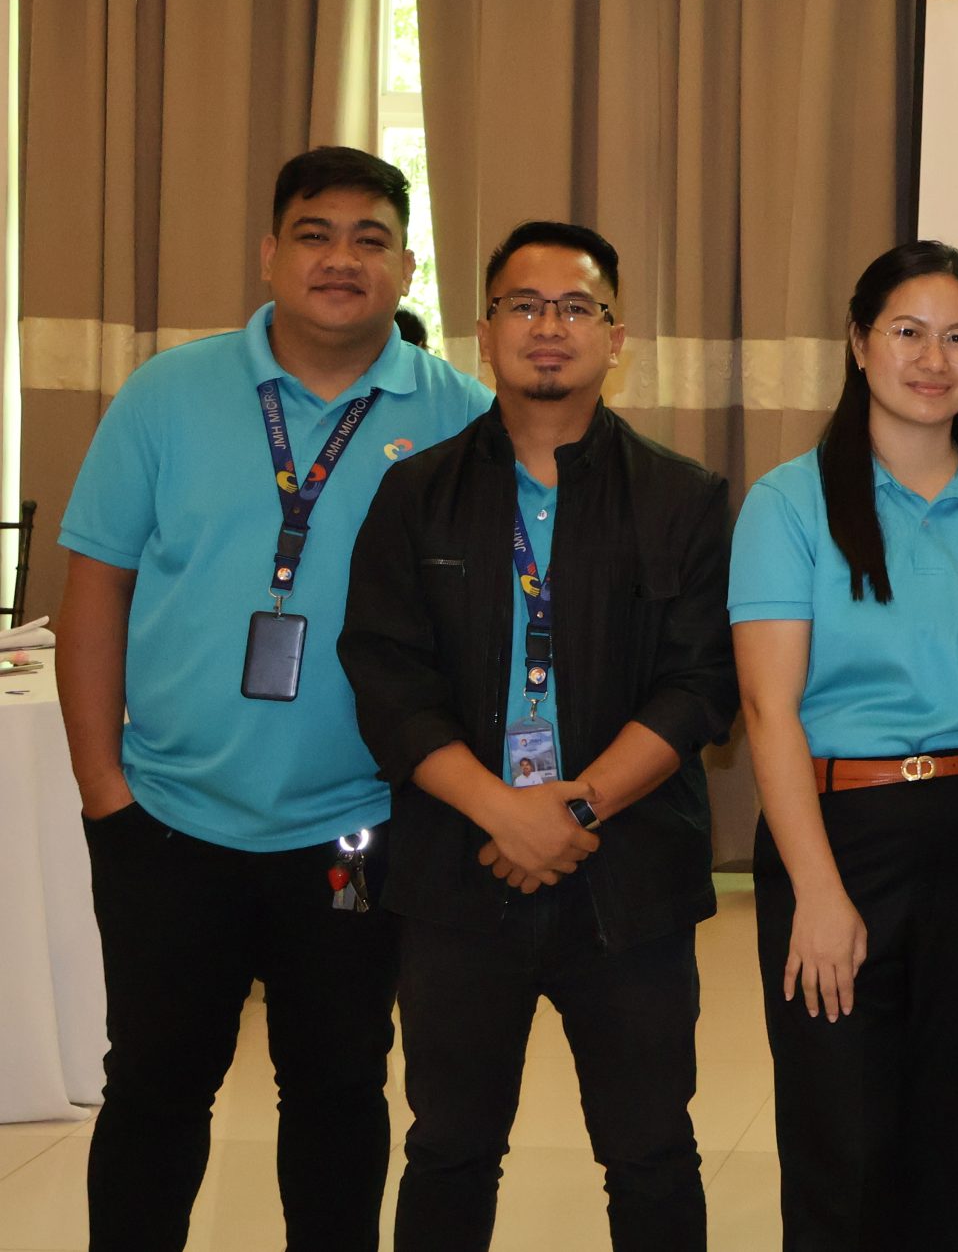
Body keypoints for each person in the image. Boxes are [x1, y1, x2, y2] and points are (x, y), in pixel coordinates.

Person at [54, 145, 487, 1250]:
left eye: (371, 239)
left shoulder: (460, 418)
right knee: (155, 1086)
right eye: (314, 234)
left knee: (338, 1088)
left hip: (357, 830)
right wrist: (105, 791)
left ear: (405, 267)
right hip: (168, 819)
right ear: (268, 253)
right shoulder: (168, 394)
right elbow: (96, 588)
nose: (342, 259)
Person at [340, 221, 739, 1252]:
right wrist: (502, 812)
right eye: (523, 305)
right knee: (449, 1148)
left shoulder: (685, 498)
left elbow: (701, 683)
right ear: (484, 333)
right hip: (459, 868)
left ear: (616, 337)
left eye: (576, 307)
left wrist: (572, 808)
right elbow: (385, 674)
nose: (548, 327)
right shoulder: (415, 494)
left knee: (652, 1152)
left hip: (630, 874)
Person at [730, 241, 958, 1250]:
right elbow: (768, 710)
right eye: (908, 331)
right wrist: (818, 892)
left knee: (949, 1146)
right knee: (843, 1149)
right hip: (839, 833)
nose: (934, 358)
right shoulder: (789, 503)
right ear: (859, 344)